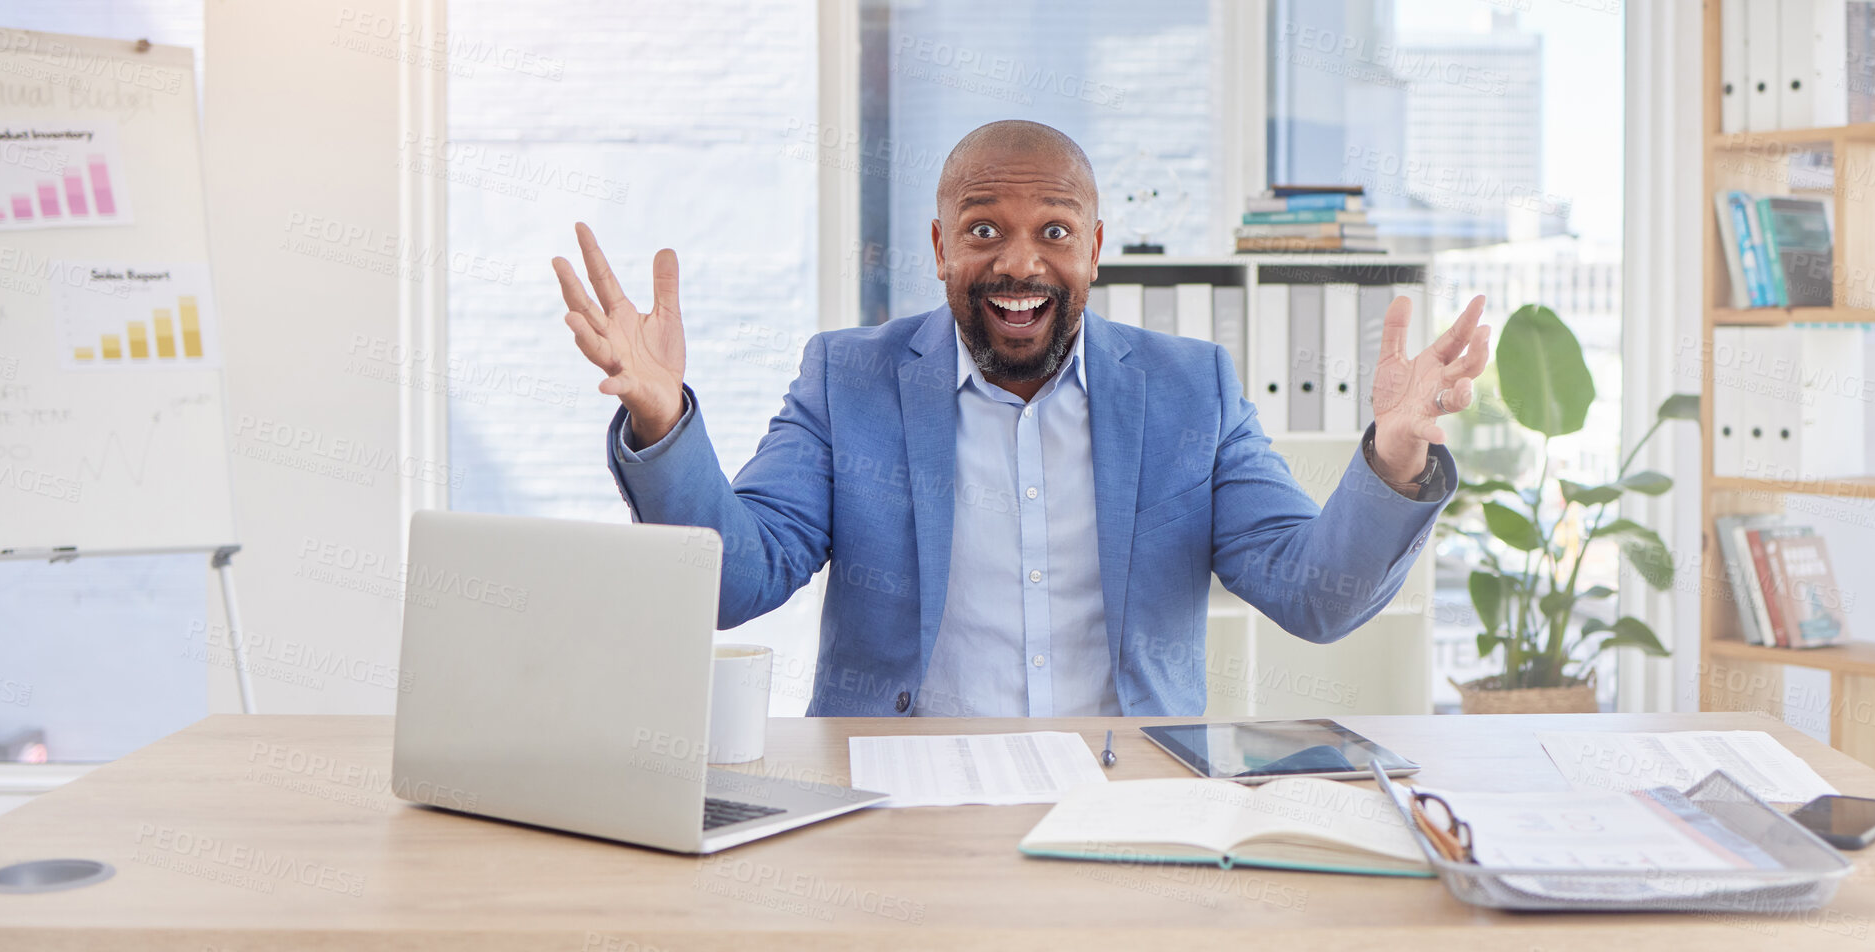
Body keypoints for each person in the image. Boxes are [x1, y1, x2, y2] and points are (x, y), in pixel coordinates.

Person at [555, 120, 1491, 717]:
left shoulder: (1188, 389)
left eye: (1052, 231)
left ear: (1093, 248)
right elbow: (734, 581)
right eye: (982, 229)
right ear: (939, 247)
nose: (1018, 262)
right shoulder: (849, 378)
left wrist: (1396, 457)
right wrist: (662, 414)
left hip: (1127, 798)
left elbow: (1314, 595)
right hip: (901, 797)